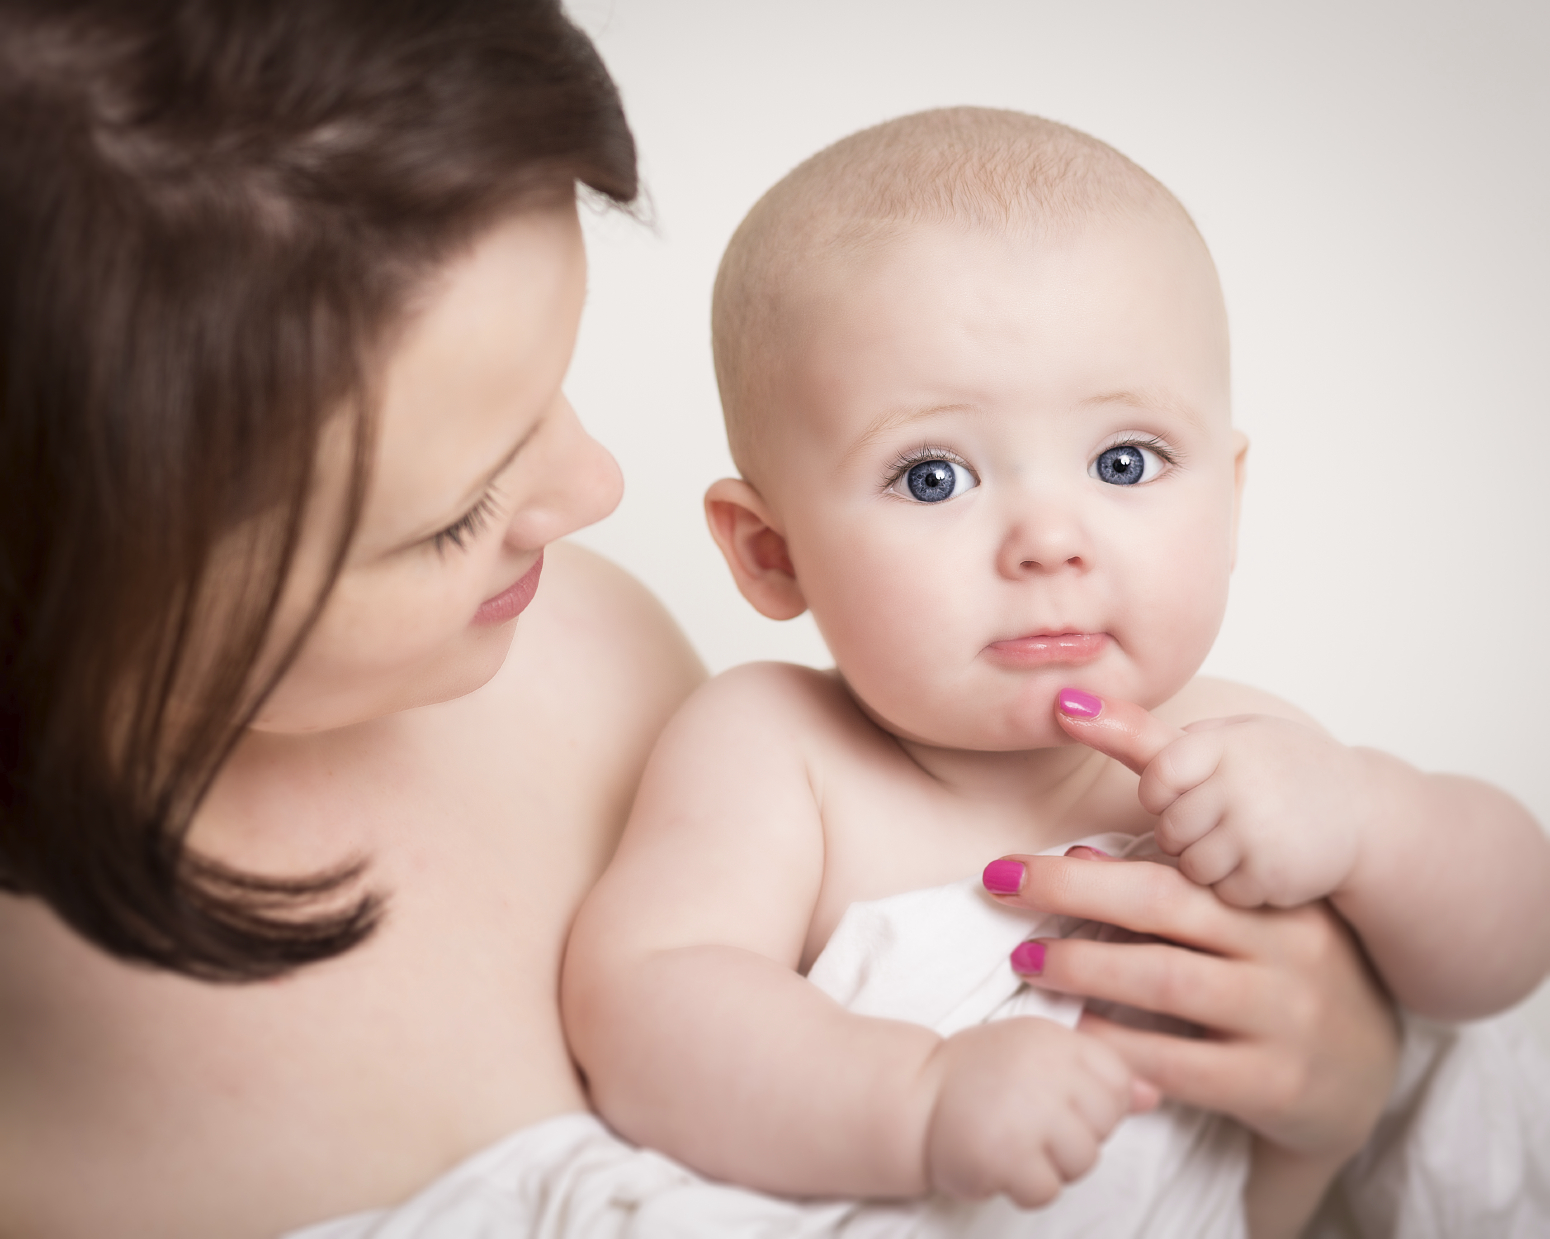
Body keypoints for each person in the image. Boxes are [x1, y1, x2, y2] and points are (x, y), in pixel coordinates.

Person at [0, 7, 1410, 1237]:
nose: (597, 487)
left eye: (550, 390)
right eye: (448, 511)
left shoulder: (581, 655)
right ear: (68, 576)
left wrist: (1324, 1085)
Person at [562, 108, 1550, 1238]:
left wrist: (1376, 821)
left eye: (1123, 461)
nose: (1048, 538)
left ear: (1230, 501)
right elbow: (644, 1004)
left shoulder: (1243, 744)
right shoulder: (777, 751)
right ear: (769, 551)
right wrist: (915, 1101)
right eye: (931, 477)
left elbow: (1502, 958)